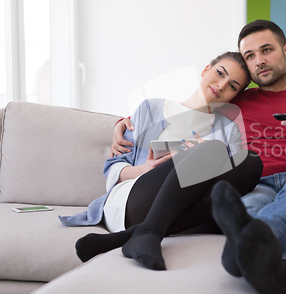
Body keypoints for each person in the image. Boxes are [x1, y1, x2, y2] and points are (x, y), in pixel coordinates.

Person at [113, 21, 286, 293]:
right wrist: (125, 122)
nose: (259, 61)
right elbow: (191, 108)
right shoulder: (237, 101)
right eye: (250, 56)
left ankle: (252, 249)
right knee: (249, 206)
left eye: (267, 50)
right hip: (255, 182)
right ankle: (274, 266)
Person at [60, 52, 263, 271]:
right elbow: (113, 168)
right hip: (134, 200)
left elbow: (227, 187)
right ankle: (146, 232)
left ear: (234, 96)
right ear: (206, 70)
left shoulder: (228, 130)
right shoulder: (151, 109)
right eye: (219, 73)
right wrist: (143, 170)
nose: (222, 85)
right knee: (213, 149)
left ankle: (137, 235)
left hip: (184, 210)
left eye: (232, 86)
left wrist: (202, 159)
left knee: (252, 163)